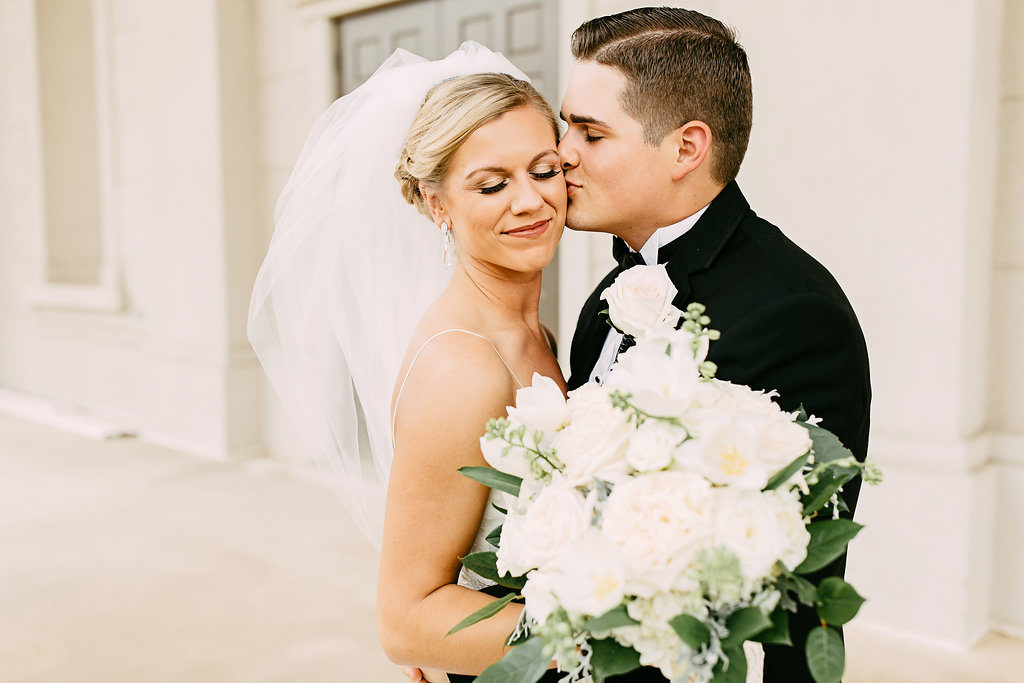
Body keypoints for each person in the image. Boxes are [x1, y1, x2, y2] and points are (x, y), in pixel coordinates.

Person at [559, 8, 871, 682]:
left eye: (590, 131)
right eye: (566, 127)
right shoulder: (607, 296)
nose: (562, 153)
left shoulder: (797, 313)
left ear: (686, 148)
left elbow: (807, 594)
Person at [248, 44, 567, 682]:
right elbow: (406, 621)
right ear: (435, 204)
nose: (530, 201)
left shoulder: (532, 333)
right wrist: (619, 625)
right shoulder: (464, 367)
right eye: (493, 184)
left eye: (545, 169)